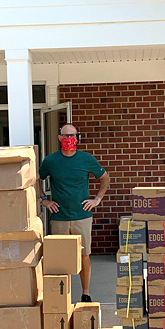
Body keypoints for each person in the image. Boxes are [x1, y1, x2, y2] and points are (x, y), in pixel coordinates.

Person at [38, 122, 111, 302]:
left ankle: (85, 293)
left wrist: (97, 200)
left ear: (77, 138)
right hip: (59, 218)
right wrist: (44, 200)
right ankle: (62, 296)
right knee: (60, 258)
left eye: (73, 135)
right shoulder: (51, 161)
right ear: (59, 138)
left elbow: (105, 178)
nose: (69, 139)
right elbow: (36, 180)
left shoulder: (86, 159)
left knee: (84, 255)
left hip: (82, 216)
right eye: (66, 135)